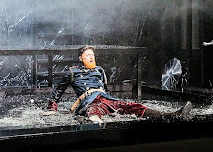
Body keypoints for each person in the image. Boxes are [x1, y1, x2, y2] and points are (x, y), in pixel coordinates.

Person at [44, 45, 192, 124]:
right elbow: (58, 90)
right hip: (90, 100)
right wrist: (52, 107)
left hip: (106, 99)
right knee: (95, 112)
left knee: (133, 106)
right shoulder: (73, 72)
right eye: (88, 55)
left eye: (93, 55)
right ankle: (90, 124)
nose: (91, 57)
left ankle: (172, 116)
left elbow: (105, 90)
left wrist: (114, 104)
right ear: (80, 58)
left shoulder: (100, 70)